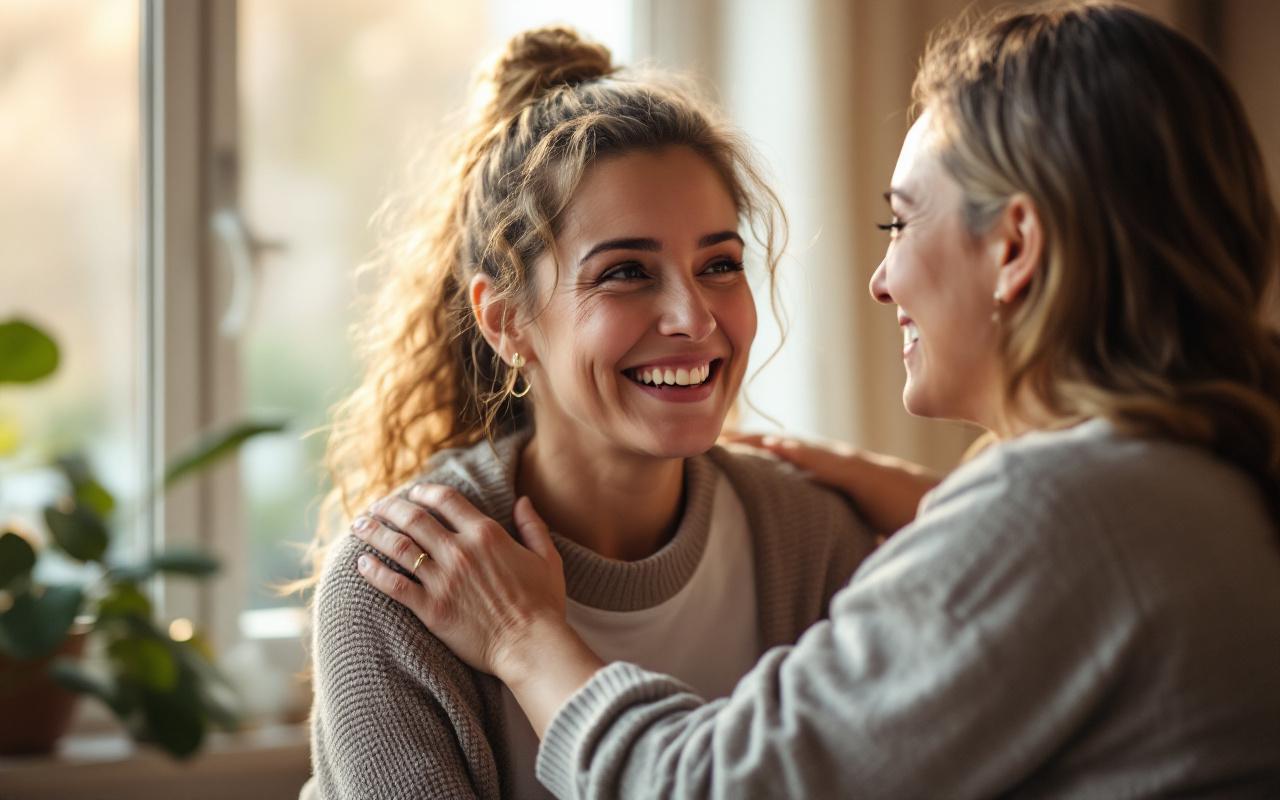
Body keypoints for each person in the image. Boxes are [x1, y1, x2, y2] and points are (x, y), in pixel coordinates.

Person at [355, 4, 1280, 797]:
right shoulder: (1212, 478)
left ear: (1015, 248)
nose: (882, 278)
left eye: (901, 220)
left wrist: (524, 637)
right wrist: (946, 513)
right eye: (626, 272)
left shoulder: (1052, 514)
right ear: (506, 319)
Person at [301, 26, 877, 800]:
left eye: (719, 265)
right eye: (627, 272)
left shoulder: (810, 541)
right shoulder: (394, 587)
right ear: (505, 320)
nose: (695, 318)